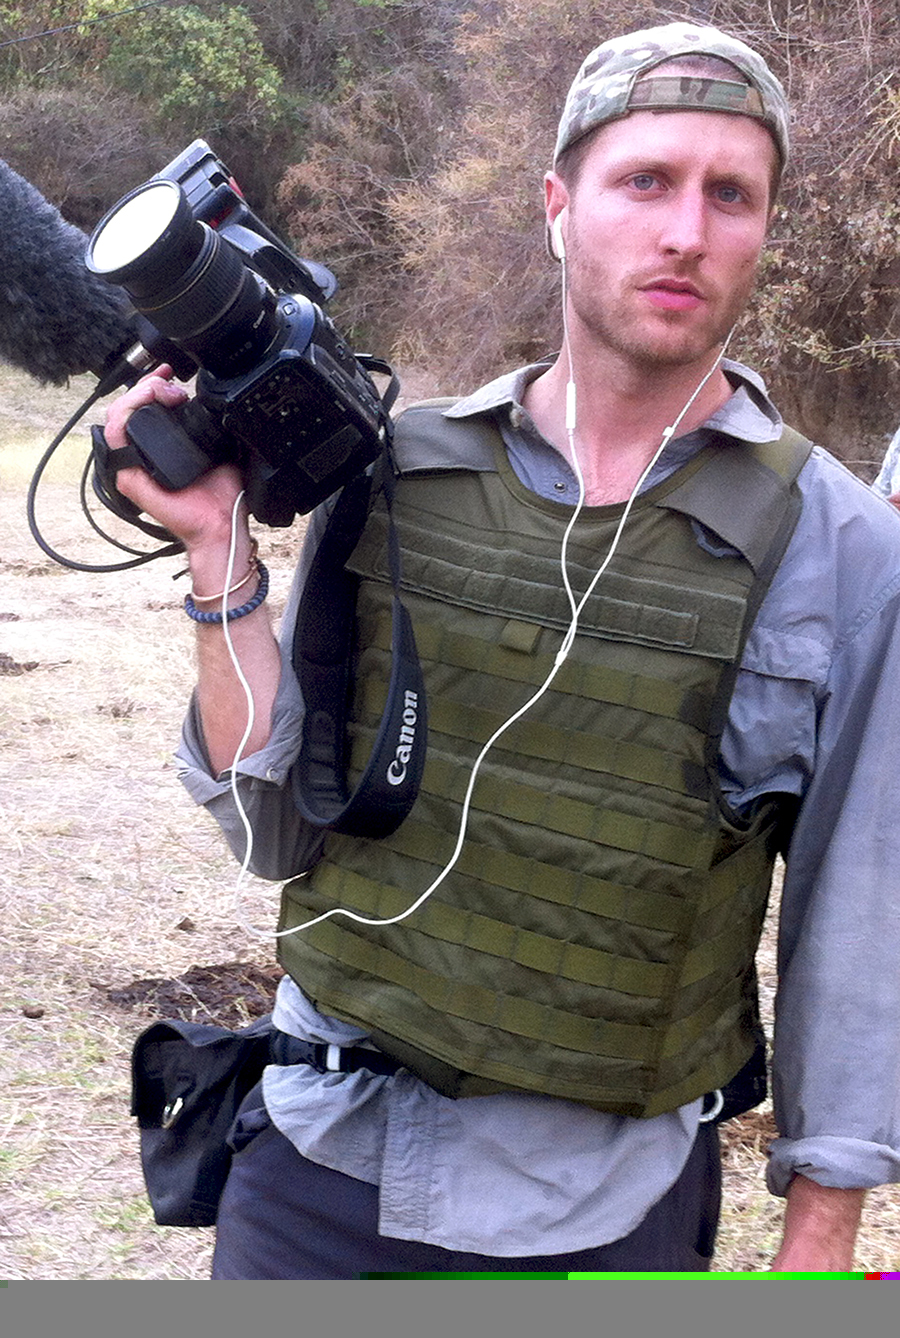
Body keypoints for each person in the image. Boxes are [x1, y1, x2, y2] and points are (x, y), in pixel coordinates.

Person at [104, 22, 900, 1275]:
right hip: (320, 1170)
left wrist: (821, 1240)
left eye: (729, 194)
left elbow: (860, 915)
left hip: (604, 1209)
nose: (686, 230)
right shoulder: (401, 471)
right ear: (557, 206)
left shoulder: (841, 550)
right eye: (646, 181)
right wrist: (221, 559)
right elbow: (272, 829)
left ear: (765, 231)